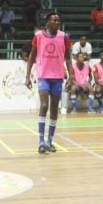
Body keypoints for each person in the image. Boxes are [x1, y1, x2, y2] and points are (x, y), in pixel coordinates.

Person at [25, 12, 73, 154]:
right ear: (47, 22)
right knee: (44, 105)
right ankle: (41, 141)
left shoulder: (64, 37)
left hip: (58, 77)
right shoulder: (39, 36)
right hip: (43, 75)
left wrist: (71, 77)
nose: (57, 22)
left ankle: (50, 141)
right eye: (54, 20)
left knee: (53, 109)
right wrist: (28, 76)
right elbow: (32, 56)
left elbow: (69, 59)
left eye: (58, 20)